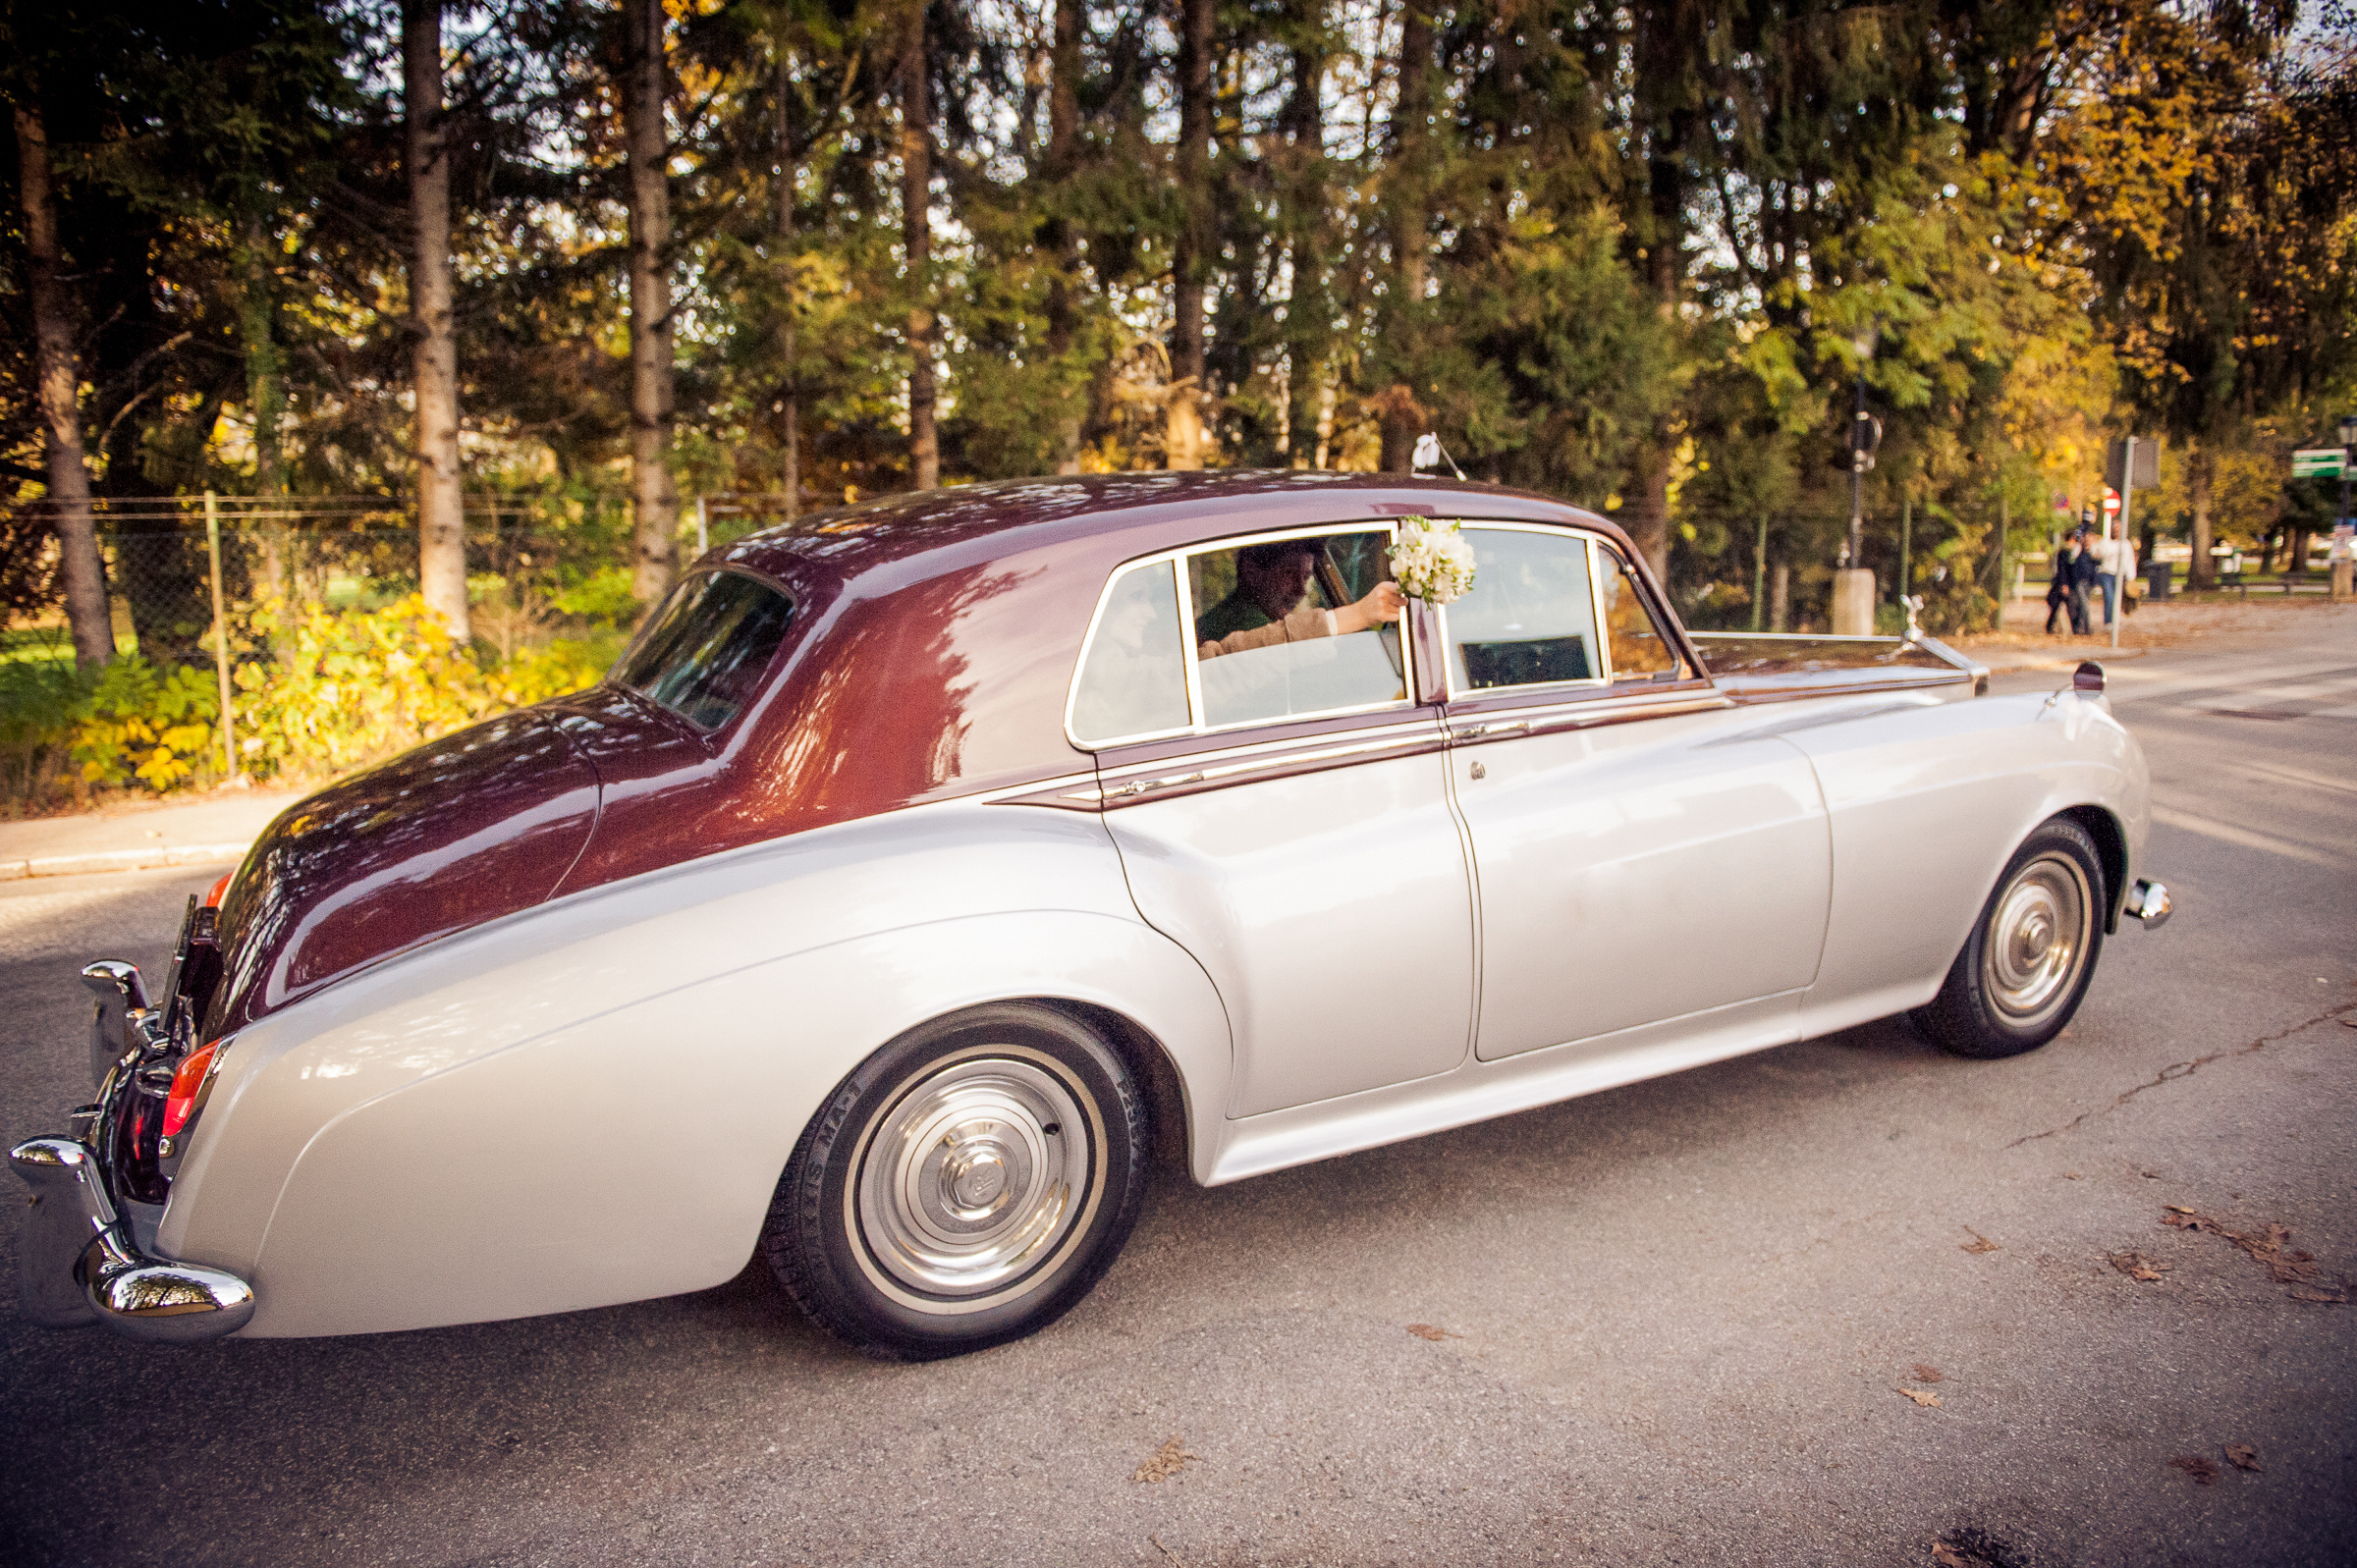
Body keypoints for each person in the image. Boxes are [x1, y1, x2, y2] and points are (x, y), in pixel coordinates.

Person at [1195, 538, 1403, 658]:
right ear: (1250, 570)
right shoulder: (1250, 625)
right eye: (1288, 574)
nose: (1300, 590)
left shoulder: (1222, 614)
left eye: (1305, 577)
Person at [2044, 537, 2077, 634]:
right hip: (2063, 584)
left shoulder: (2074, 553)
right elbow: (2062, 570)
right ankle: (2052, 627)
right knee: (2060, 606)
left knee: (2061, 607)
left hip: (2067, 584)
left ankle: (2052, 627)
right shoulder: (2065, 553)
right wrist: (2064, 584)